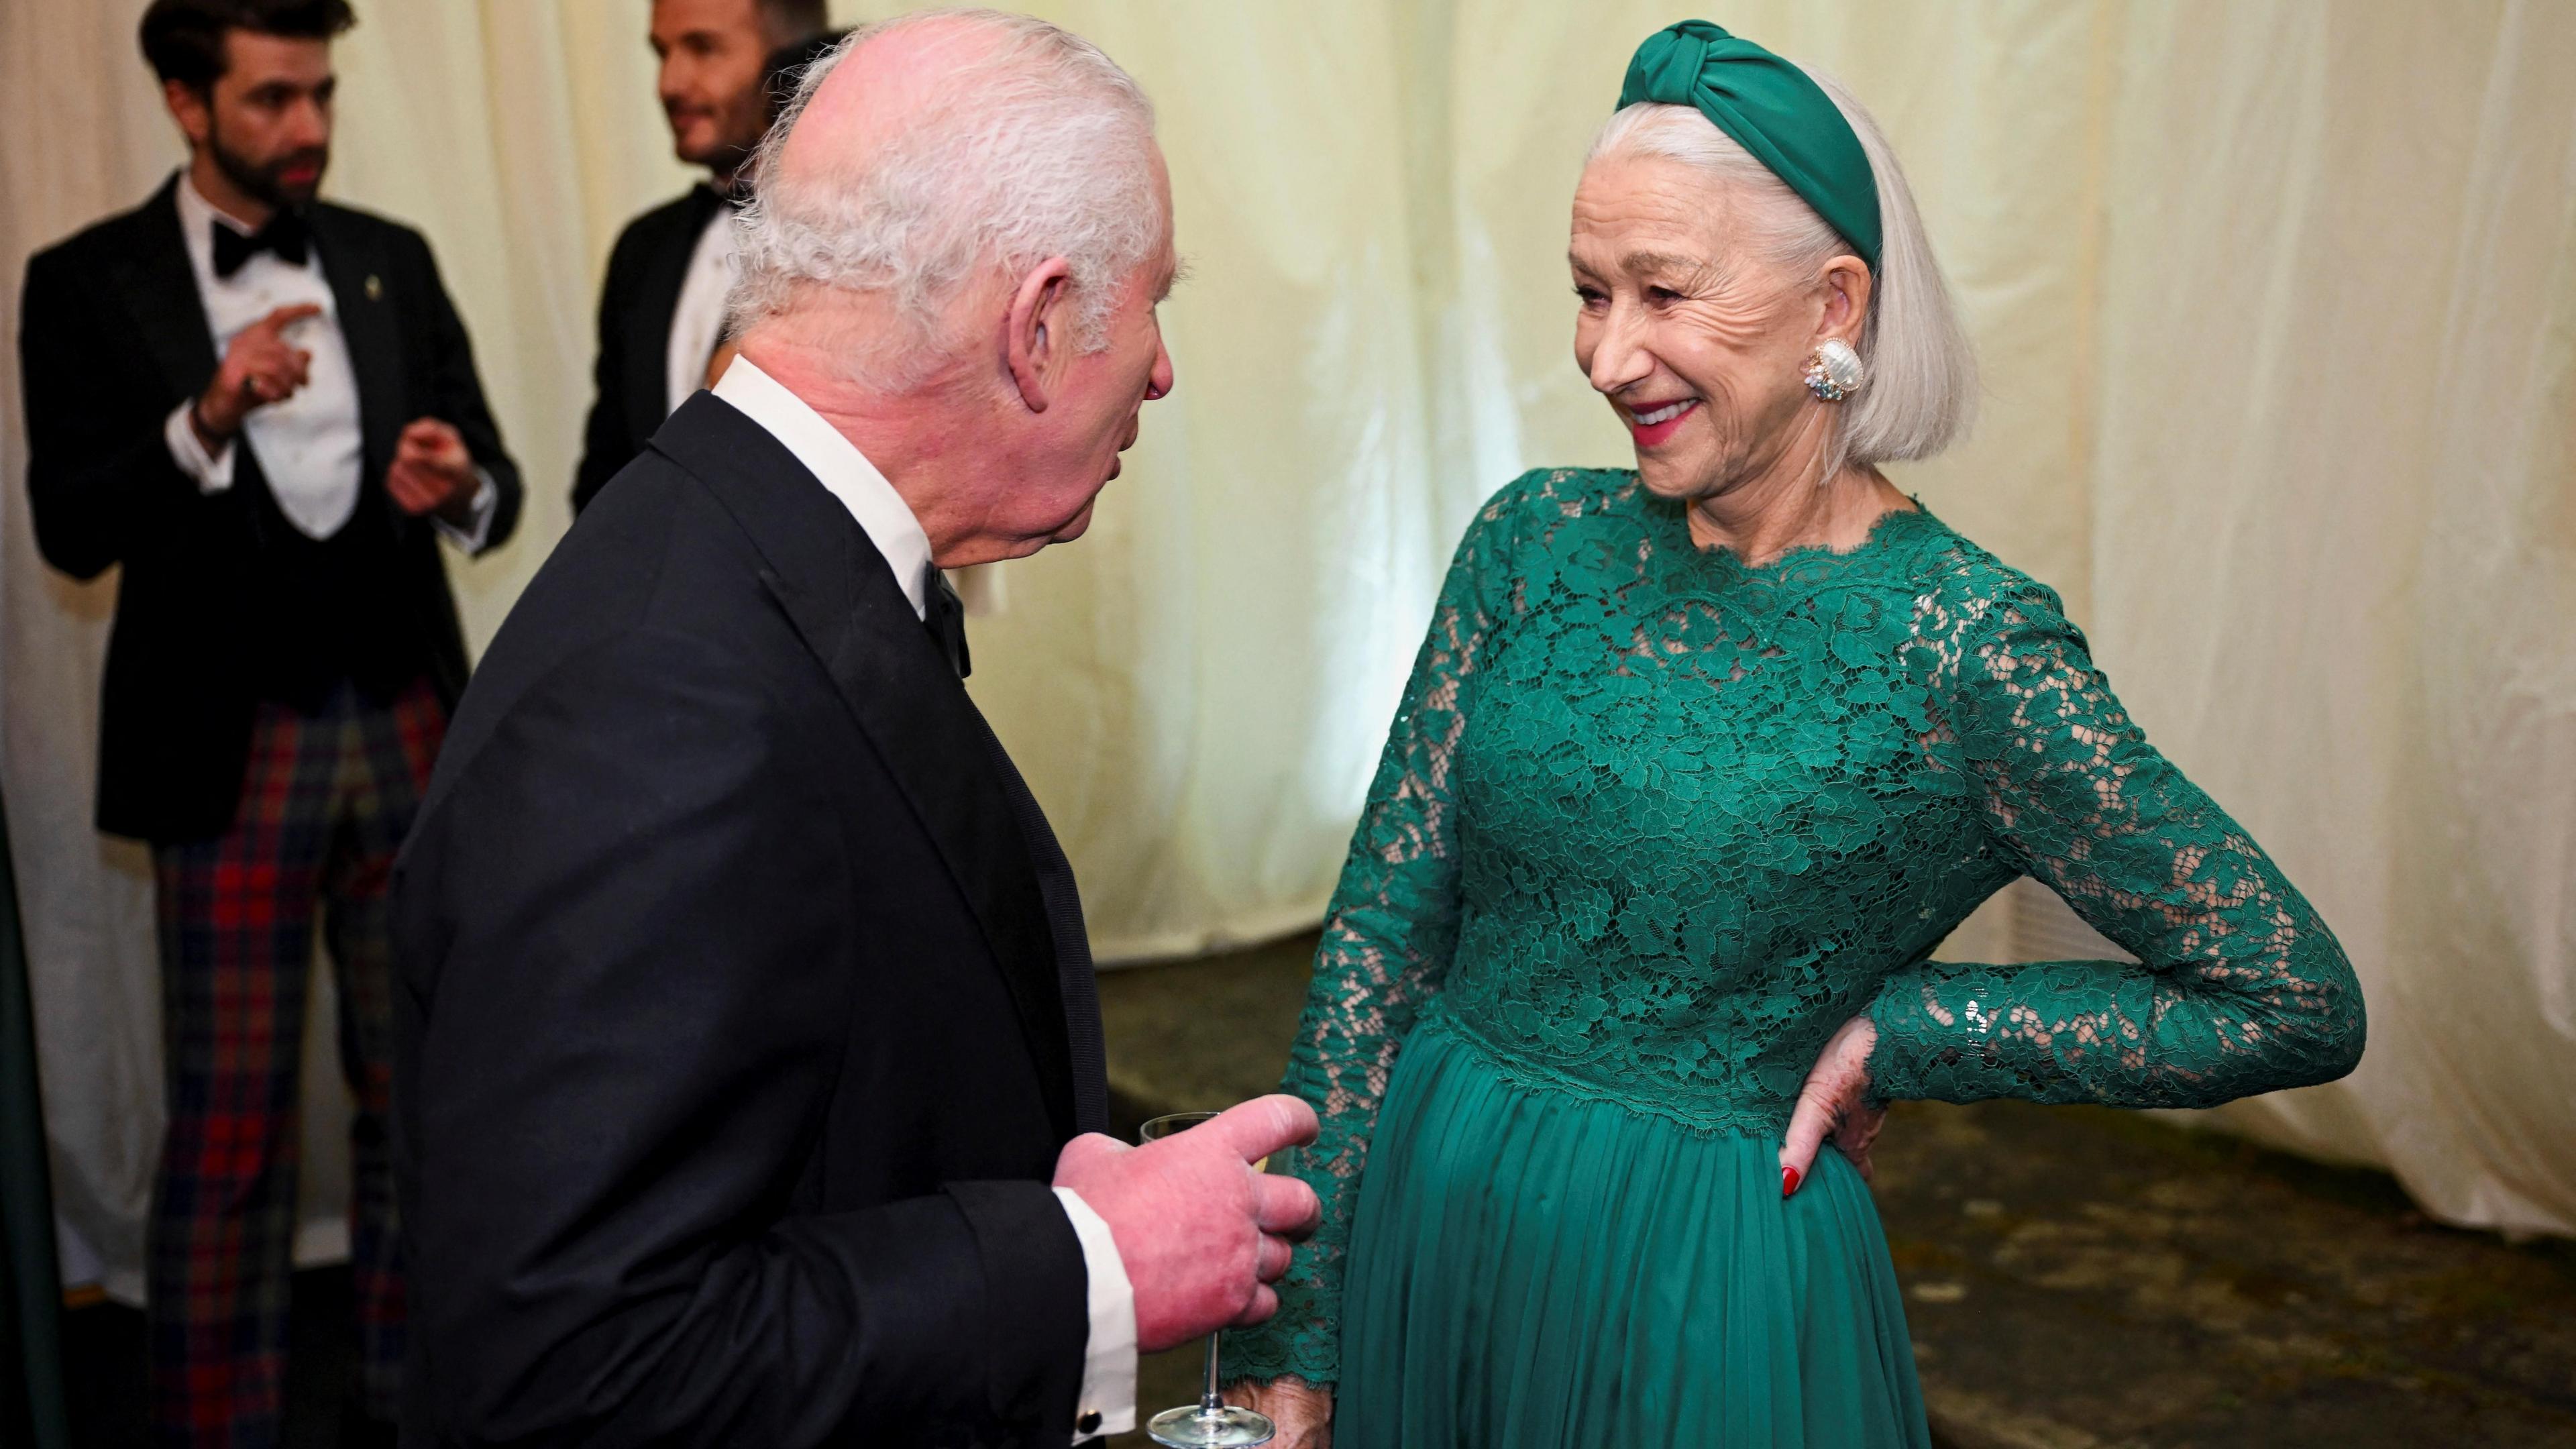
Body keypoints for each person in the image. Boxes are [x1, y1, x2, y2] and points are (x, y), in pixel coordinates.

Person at [1225, 20, 2367, 1448]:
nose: (1605, 352)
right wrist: (1301, 1317)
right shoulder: (1530, 544)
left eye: (1663, 293)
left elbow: (2289, 996)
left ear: (1835, 302)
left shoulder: (1964, 646)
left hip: (1702, 1289)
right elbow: (1380, 943)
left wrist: (1916, 1032)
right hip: (1432, 1217)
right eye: (1587, 292)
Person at [391, 11, 1318, 1447]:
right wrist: (1090, 1270)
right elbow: (579, 1372)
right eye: (1154, 303)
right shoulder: (663, 697)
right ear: (1036, 324)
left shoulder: (751, 546)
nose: (1162, 369)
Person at [17, 0, 523, 1442]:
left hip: (410, 722)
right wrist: (207, 415)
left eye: (320, 95)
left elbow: (494, 479)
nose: (307, 128)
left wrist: (460, 479)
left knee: (418, 1096)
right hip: (227, 747)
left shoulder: (389, 259)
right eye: (270, 101)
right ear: (187, 103)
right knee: (228, 1128)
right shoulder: (86, 282)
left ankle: (414, 1400)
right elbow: (69, 528)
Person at [569, 0, 829, 514]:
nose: (669, 82)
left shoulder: (860, 245)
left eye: (703, 48)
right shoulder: (643, 247)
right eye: (662, 53)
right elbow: (607, 469)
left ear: (794, 62)